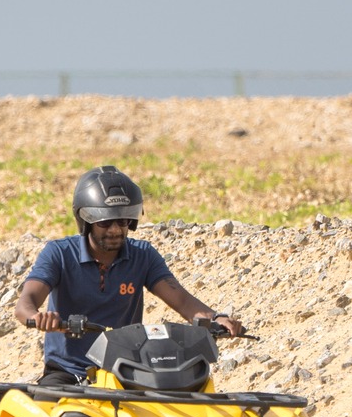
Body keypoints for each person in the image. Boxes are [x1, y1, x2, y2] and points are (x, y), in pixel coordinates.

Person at [13, 165, 246, 386]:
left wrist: (215, 318)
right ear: (87, 221)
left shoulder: (143, 255)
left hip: (125, 370)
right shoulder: (59, 254)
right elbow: (25, 303)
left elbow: (183, 301)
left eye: (122, 220)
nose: (115, 229)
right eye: (105, 222)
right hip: (69, 373)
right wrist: (39, 317)